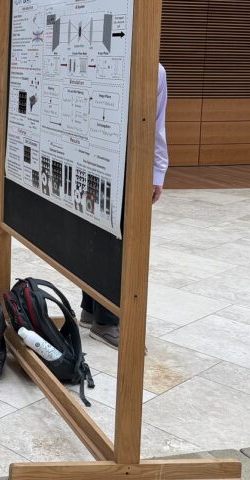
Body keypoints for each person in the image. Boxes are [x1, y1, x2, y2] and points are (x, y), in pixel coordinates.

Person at [81, 62, 168, 348]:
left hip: (118, 163)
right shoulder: (110, 62)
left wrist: (157, 172)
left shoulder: (154, 70)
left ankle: (92, 309)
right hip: (98, 160)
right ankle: (105, 320)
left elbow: (156, 123)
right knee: (110, 238)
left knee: (103, 233)